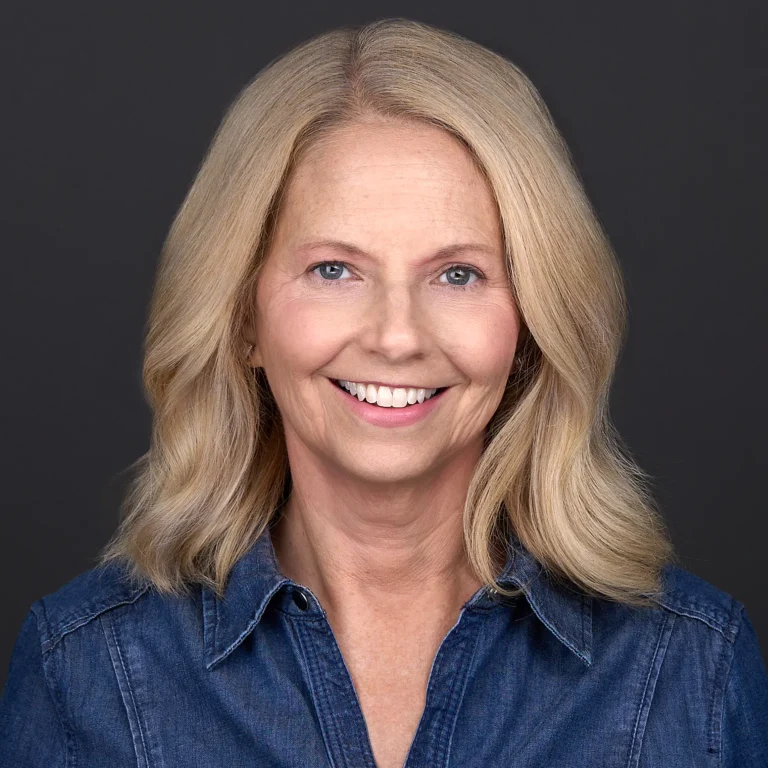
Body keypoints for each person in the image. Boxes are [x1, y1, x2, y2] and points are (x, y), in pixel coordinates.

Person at [1, 17, 766, 768]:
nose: (396, 336)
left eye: (457, 274)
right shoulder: (89, 672)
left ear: (531, 322)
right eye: (334, 269)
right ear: (242, 317)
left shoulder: (689, 669)